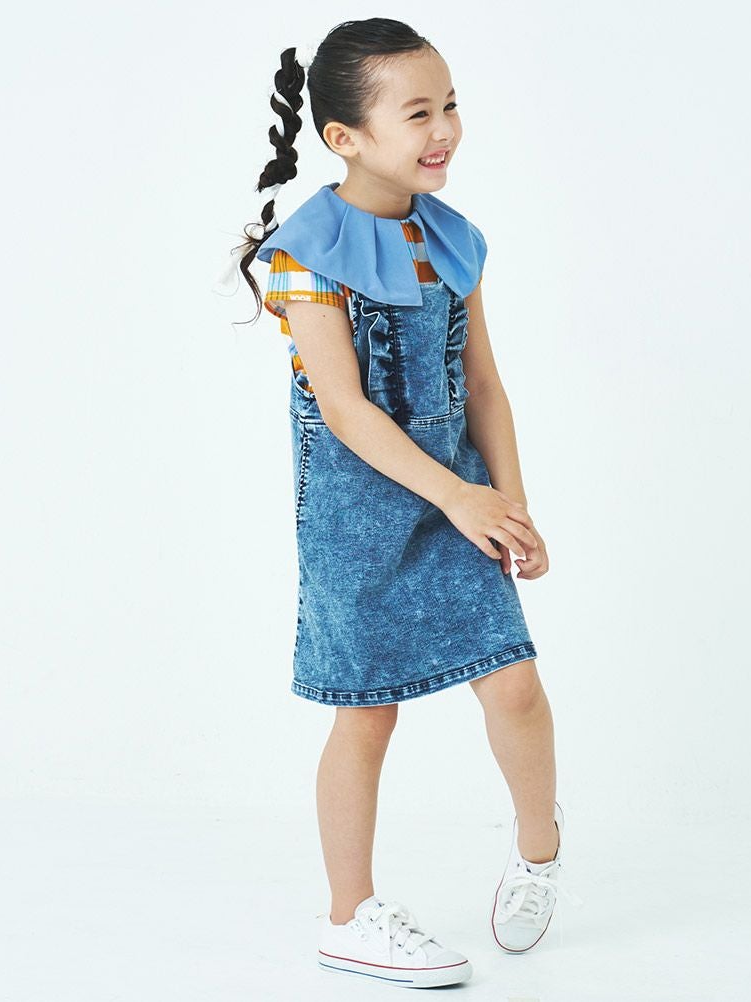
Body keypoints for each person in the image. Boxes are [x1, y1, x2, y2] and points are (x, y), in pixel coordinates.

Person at [214, 17, 582, 988]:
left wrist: (508, 503)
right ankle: (350, 917)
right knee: (365, 713)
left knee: (513, 681)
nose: (444, 128)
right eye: (418, 112)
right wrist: (460, 496)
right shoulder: (308, 252)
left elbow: (484, 385)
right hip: (359, 515)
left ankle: (539, 852)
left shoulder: (453, 241)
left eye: (450, 104)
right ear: (345, 136)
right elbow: (343, 410)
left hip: (461, 499)